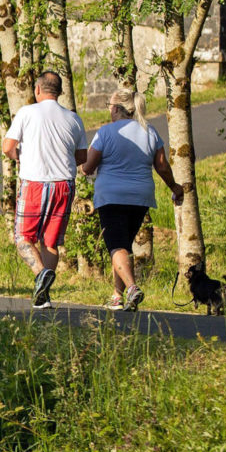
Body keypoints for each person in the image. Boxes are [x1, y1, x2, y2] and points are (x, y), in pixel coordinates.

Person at [80, 88, 184, 311]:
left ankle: (132, 288)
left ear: (116, 108)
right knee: (123, 245)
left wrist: (81, 165)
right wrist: (174, 187)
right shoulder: (150, 132)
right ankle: (117, 296)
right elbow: (163, 166)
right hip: (140, 197)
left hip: (111, 197)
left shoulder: (106, 132)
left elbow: (88, 167)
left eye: (109, 105)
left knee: (115, 246)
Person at [2, 70, 88, 309]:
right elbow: (82, 157)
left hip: (35, 183)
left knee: (23, 238)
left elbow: (7, 146)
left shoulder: (27, 113)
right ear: (59, 92)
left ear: (37, 89)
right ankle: (44, 296)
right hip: (64, 184)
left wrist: (19, 157)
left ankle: (40, 273)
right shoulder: (73, 119)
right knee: (50, 242)